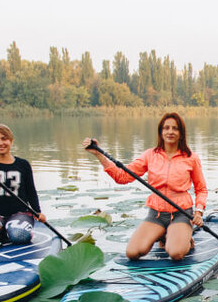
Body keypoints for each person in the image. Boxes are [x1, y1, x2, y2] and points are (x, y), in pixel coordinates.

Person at [83, 111, 207, 261]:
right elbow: (122, 177)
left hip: (181, 214)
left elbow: (201, 189)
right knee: (132, 253)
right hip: (156, 215)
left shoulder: (191, 158)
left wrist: (199, 212)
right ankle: (163, 234)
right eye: (166, 128)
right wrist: (99, 154)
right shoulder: (150, 155)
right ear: (161, 132)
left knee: (175, 253)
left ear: (181, 133)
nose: (170, 132)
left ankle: (184, 237)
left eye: (175, 128)